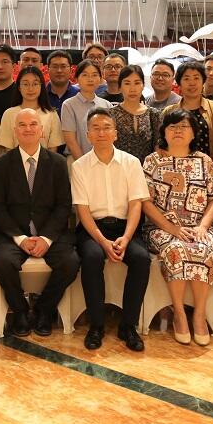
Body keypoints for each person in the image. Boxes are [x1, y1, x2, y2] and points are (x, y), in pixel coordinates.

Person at [0, 109, 78, 337]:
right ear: (14, 130)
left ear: (42, 130)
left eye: (33, 124)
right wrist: (20, 239)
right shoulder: (1, 164)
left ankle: (44, 310)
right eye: (22, 125)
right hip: (12, 233)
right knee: (3, 262)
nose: (28, 129)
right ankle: (19, 310)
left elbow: (63, 205)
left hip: (49, 232)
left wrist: (46, 239)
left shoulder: (57, 163)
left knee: (70, 262)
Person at [72, 108, 151, 351]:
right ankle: (96, 325)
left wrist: (126, 238)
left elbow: (136, 203)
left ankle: (128, 326)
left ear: (115, 133)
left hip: (125, 227)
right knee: (93, 257)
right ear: (88, 135)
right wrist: (103, 242)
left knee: (141, 259)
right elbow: (82, 211)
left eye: (107, 127)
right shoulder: (79, 166)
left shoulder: (131, 162)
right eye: (96, 128)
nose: (102, 132)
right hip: (92, 229)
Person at [141, 109, 213, 346]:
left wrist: (203, 227)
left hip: (199, 227)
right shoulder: (152, 161)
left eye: (184, 126)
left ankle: (198, 314)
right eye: (172, 126)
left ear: (194, 133)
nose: (178, 131)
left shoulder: (204, 161)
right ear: (163, 132)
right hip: (161, 228)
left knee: (203, 249)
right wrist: (171, 228)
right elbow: (145, 202)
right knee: (177, 249)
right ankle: (178, 313)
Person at [165, 60, 213, 170]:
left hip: (209, 171)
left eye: (196, 78)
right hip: (176, 171)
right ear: (179, 83)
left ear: (203, 81)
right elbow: (161, 142)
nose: (192, 83)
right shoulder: (169, 111)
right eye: (186, 79)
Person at [0, 66, 64, 151]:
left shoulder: (51, 114)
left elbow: (53, 150)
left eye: (35, 84)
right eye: (25, 84)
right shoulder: (9, 114)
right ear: (19, 87)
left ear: (41, 86)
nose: (30, 88)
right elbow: (8, 149)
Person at [60, 59, 111, 159]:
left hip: (103, 159)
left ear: (100, 78)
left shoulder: (107, 105)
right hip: (76, 160)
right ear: (77, 78)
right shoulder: (69, 105)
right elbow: (70, 141)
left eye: (94, 75)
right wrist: (84, 165)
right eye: (85, 75)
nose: (90, 79)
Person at [110, 65, 161, 163]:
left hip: (146, 171)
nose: (132, 89)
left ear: (143, 86)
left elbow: (157, 147)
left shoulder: (153, 114)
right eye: (127, 83)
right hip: (118, 168)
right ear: (120, 87)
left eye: (137, 83)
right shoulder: (111, 114)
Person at [45, 50, 79, 115]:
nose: (59, 71)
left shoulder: (79, 94)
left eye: (63, 66)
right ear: (48, 69)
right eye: (55, 67)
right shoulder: (41, 94)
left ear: (71, 70)